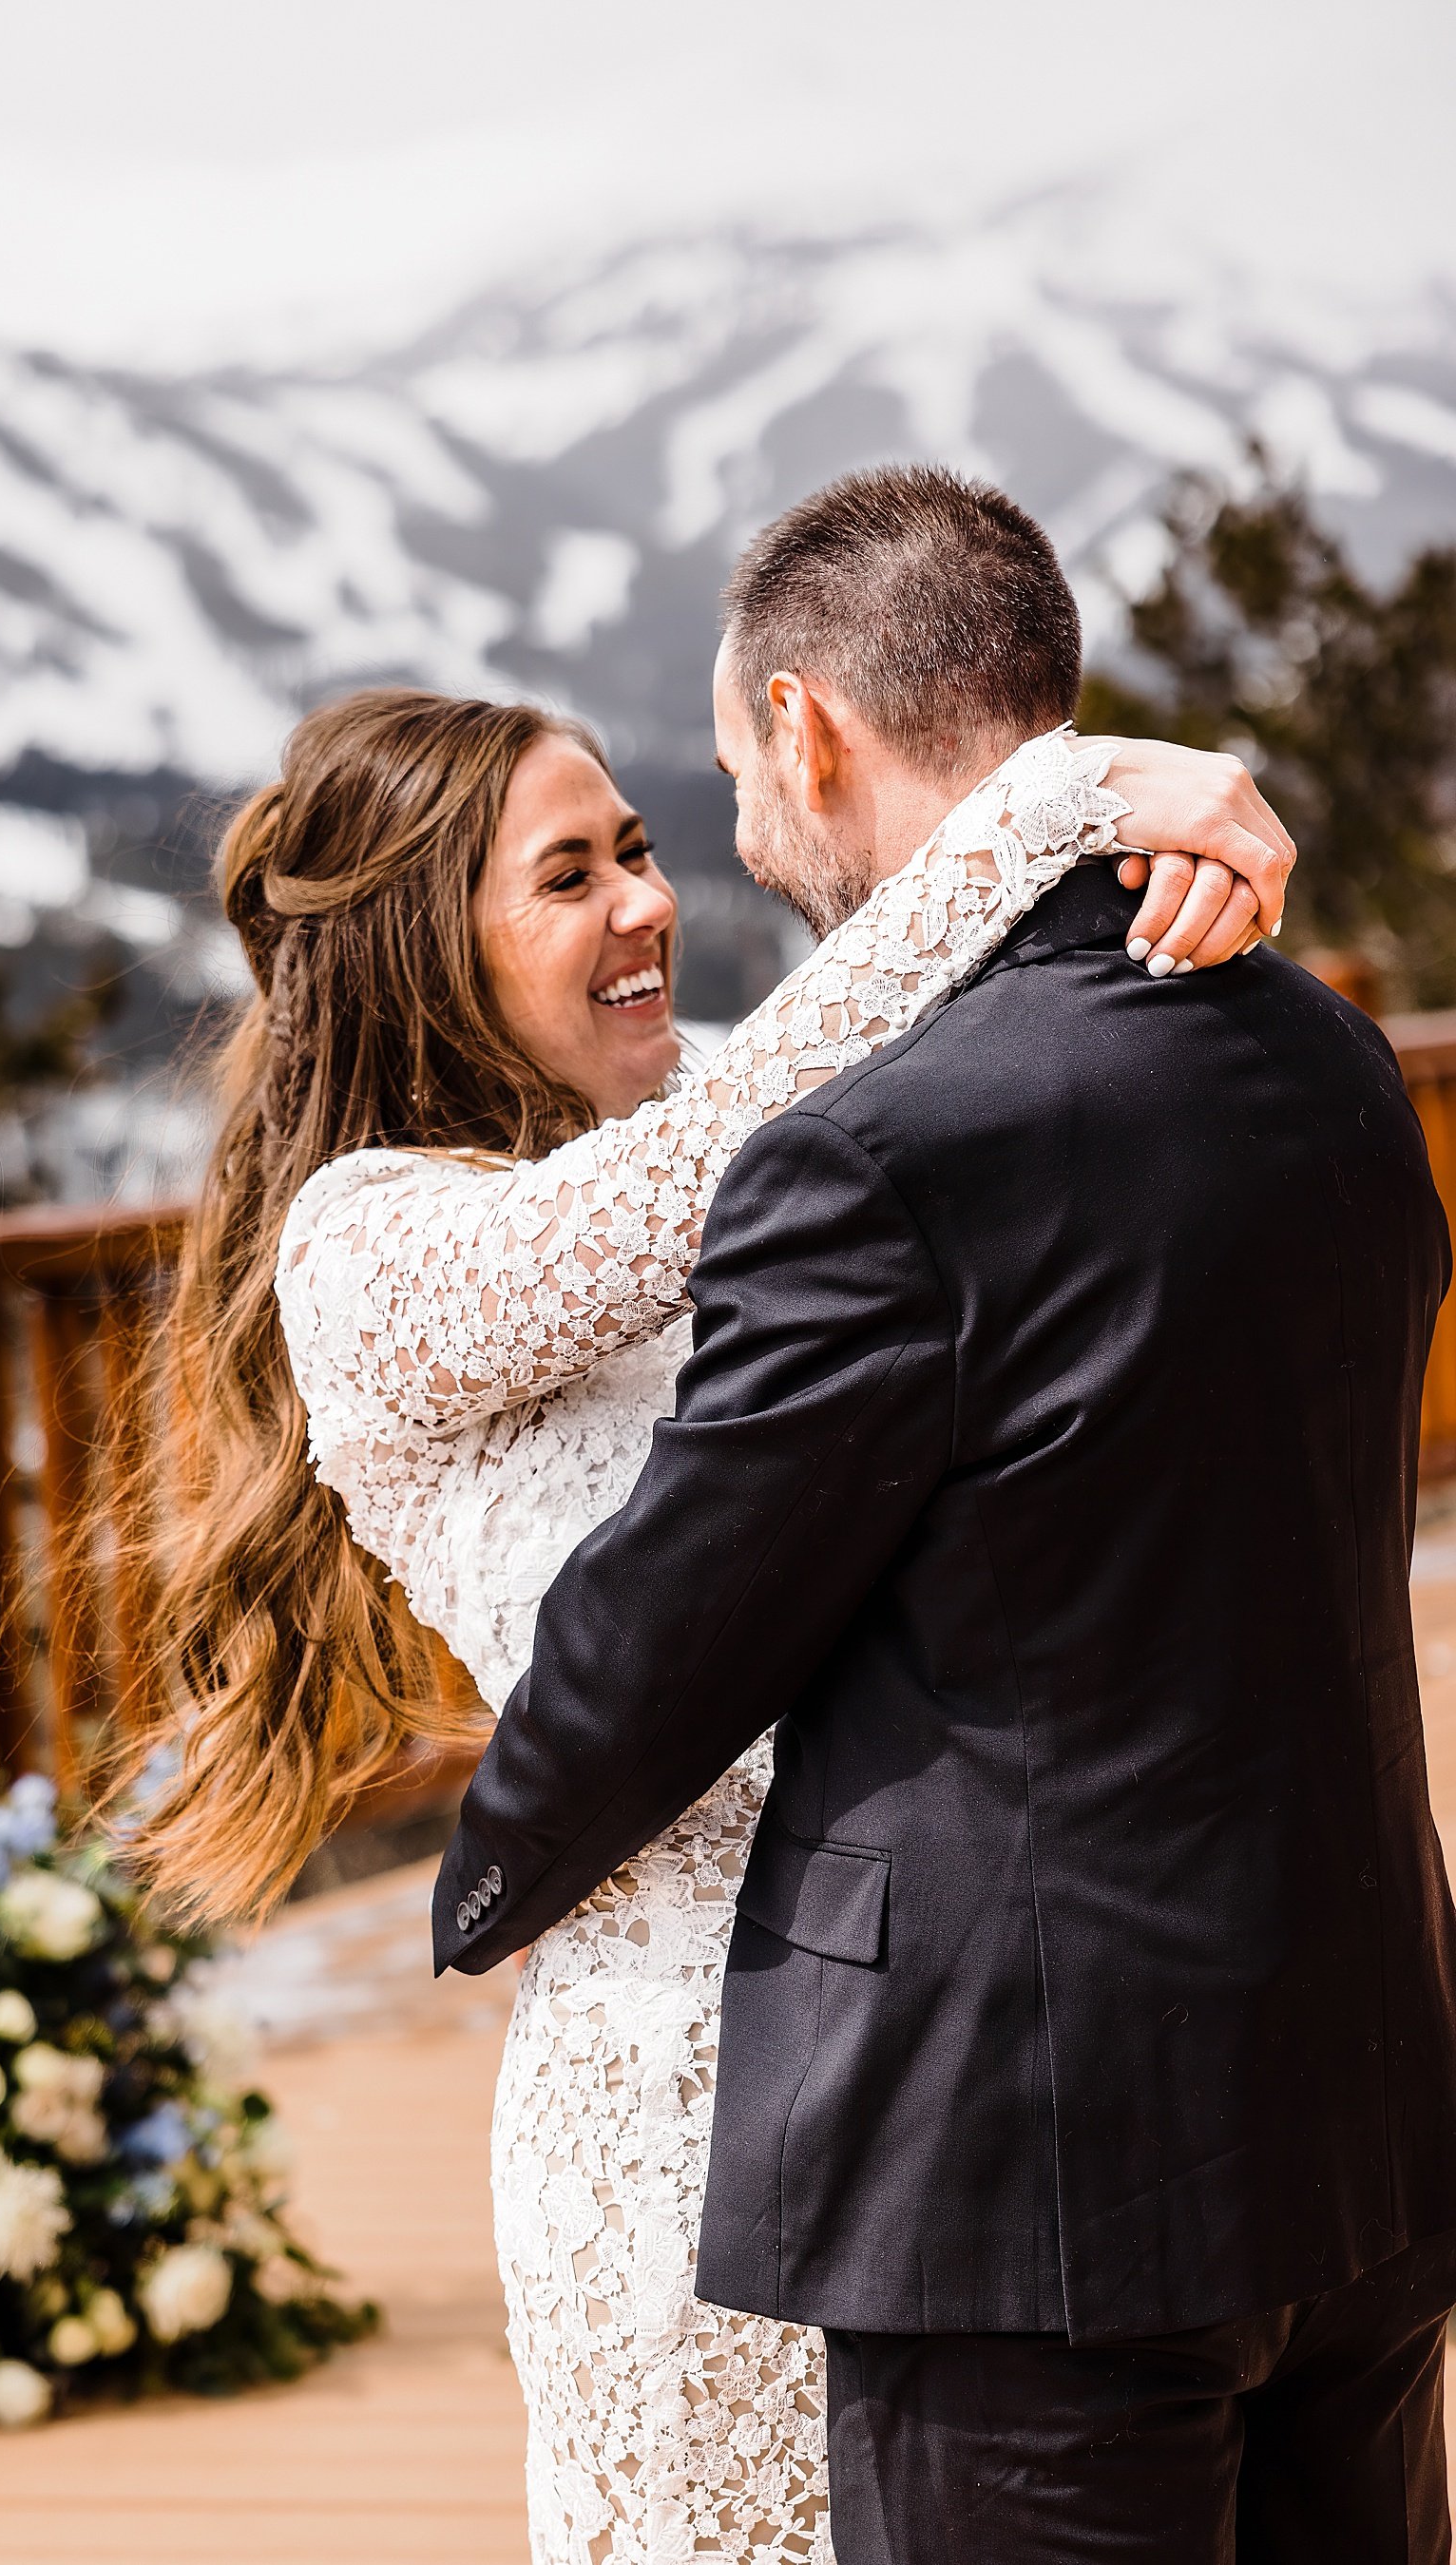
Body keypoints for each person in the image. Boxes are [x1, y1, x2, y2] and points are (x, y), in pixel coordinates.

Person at [132, 471, 1293, 2565]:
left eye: (644, 845)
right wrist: (1049, 804)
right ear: (426, 950)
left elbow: (913, 1072)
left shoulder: (719, 1101)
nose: (649, 905)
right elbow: (752, 1158)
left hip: (919, 2060)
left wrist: (1154, 884)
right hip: (674, 2097)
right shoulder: (373, 1248)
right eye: (568, 877)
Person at [431, 466, 1456, 2564]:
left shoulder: (874, 1160)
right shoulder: (1336, 1063)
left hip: (1039, 2179)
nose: (729, 839)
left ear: (810, 729)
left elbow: (674, 1630)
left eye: (727, 773)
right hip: (1361, 2103)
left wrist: (498, 1861)